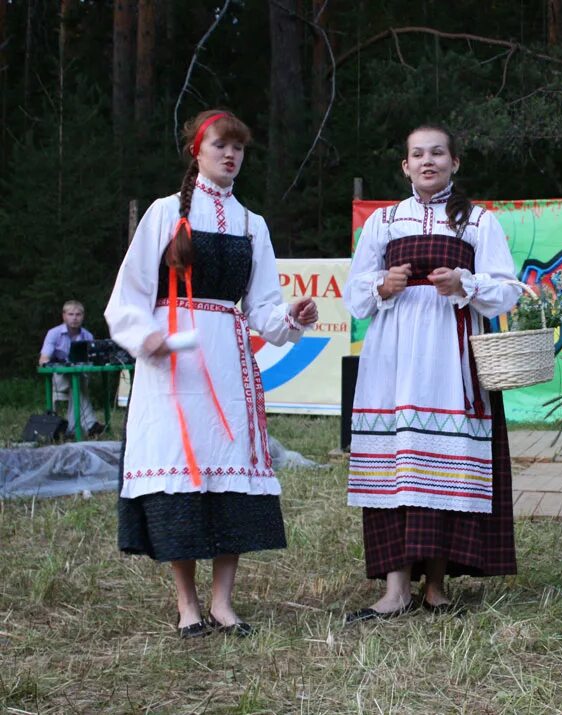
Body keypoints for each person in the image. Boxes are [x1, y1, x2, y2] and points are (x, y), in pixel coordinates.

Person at [104, 109, 318, 638]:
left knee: (229, 478)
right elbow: (126, 296)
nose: (231, 155)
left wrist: (291, 318)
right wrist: (144, 335)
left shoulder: (253, 224)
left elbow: (263, 308)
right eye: (221, 145)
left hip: (228, 361)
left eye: (239, 148)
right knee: (182, 474)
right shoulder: (161, 214)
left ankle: (223, 602)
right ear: (196, 151)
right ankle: (187, 605)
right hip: (172, 363)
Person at [342, 124, 521, 623]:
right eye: (417, 154)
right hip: (393, 358)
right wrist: (382, 285)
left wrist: (464, 282)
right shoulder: (384, 221)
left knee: (447, 465)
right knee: (395, 466)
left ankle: (437, 587)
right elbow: (353, 293)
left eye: (437, 153)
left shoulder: (479, 222)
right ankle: (395, 589)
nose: (428, 161)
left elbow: (506, 289)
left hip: (450, 356)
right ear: (405, 166)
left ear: (454, 162)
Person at [39, 300, 105, 437]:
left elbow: (92, 360)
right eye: (71, 314)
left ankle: (71, 430)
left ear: (83, 316)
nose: (74, 318)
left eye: (78, 314)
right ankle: (91, 424)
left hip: (81, 376)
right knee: (77, 383)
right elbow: (43, 359)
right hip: (60, 377)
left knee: (79, 382)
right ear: (64, 316)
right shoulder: (54, 333)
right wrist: (55, 364)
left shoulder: (87, 336)